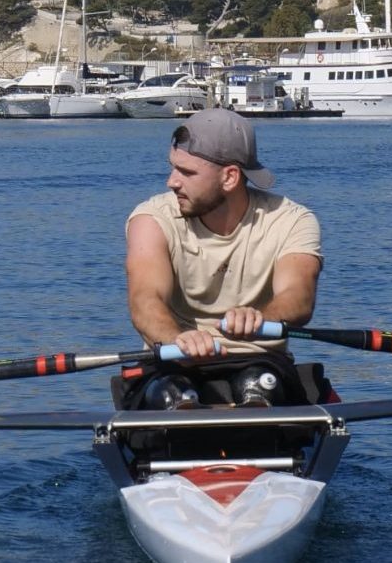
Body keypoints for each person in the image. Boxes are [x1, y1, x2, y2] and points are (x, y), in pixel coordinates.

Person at [123, 107, 322, 407]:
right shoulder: (150, 220)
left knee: (258, 384)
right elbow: (145, 300)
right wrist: (178, 339)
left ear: (230, 177)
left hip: (260, 359)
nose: (171, 182)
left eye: (187, 172)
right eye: (173, 167)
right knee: (171, 392)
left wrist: (260, 318)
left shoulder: (292, 220)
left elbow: (299, 297)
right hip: (176, 361)